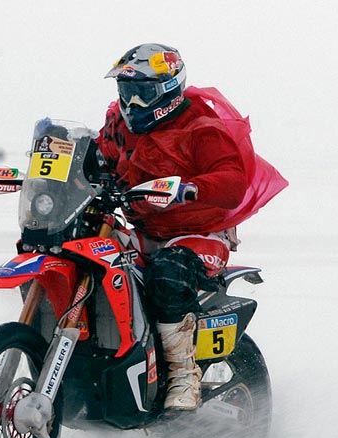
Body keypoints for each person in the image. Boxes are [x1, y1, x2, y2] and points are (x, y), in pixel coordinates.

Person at [97, 43, 287, 411]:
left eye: (143, 93)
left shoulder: (201, 126)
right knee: (84, 250)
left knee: (167, 274)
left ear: (169, 88)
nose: (133, 103)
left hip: (198, 232)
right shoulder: (118, 124)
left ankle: (184, 376)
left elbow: (233, 181)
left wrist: (192, 188)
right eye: (127, 92)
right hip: (142, 227)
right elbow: (97, 156)